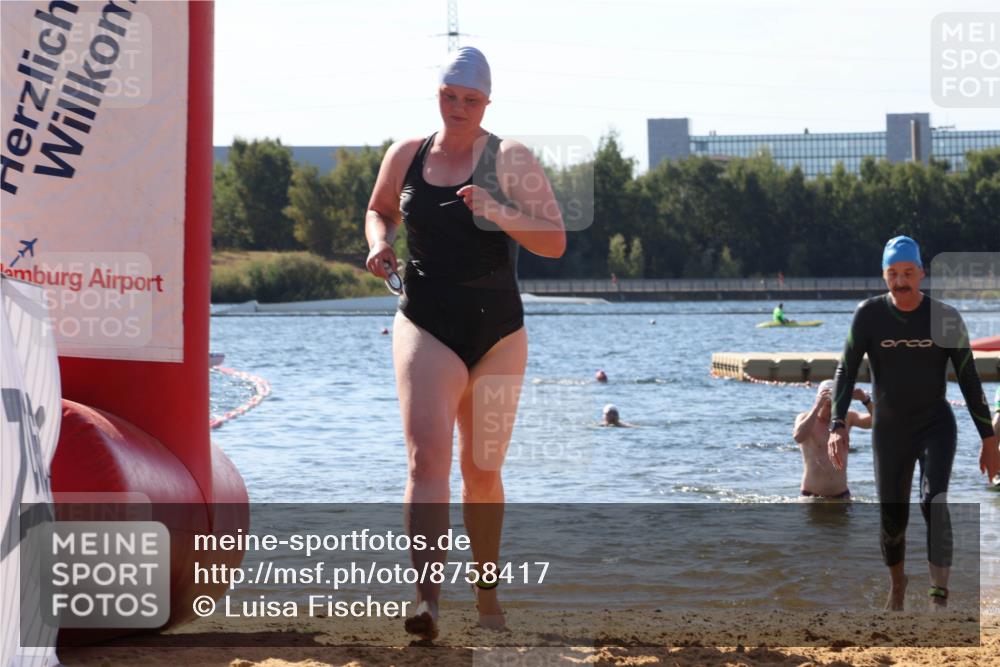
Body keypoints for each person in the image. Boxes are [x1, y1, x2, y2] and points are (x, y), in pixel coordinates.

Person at [364, 46, 566, 640]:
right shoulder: (407, 153)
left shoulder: (512, 157)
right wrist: (379, 242)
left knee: (481, 471)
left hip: (499, 331)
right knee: (427, 459)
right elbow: (379, 210)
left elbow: (553, 241)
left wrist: (499, 211)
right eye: (449, 97)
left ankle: (486, 593)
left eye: (470, 100)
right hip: (426, 320)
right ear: (438, 96)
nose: (458, 108)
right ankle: (426, 599)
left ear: (487, 103)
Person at [827, 235, 999, 611]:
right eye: (893, 274)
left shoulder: (946, 317)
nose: (901, 281)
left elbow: (969, 379)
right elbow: (845, 369)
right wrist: (837, 424)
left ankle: (939, 595)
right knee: (892, 518)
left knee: (934, 501)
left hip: (935, 424)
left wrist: (989, 439)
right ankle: (898, 585)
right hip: (889, 430)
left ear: (922, 273)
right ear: (884, 275)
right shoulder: (868, 315)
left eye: (908, 272)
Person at [792, 379, 872, 499]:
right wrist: (817, 406)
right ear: (819, 400)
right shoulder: (805, 418)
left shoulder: (846, 417)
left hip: (841, 494)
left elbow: (878, 421)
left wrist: (865, 400)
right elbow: (798, 437)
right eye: (828, 405)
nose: (832, 411)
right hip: (811, 496)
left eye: (836, 405)